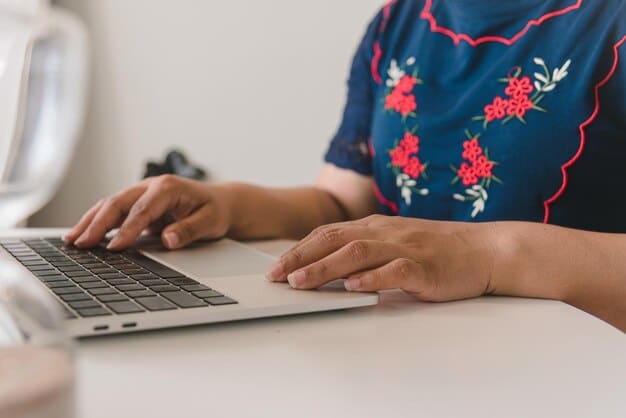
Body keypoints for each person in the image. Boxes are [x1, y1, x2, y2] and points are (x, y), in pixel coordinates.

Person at [64, 0, 626, 332]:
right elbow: (343, 203)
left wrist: (488, 252)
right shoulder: (400, 20)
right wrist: (227, 205)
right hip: (401, 352)